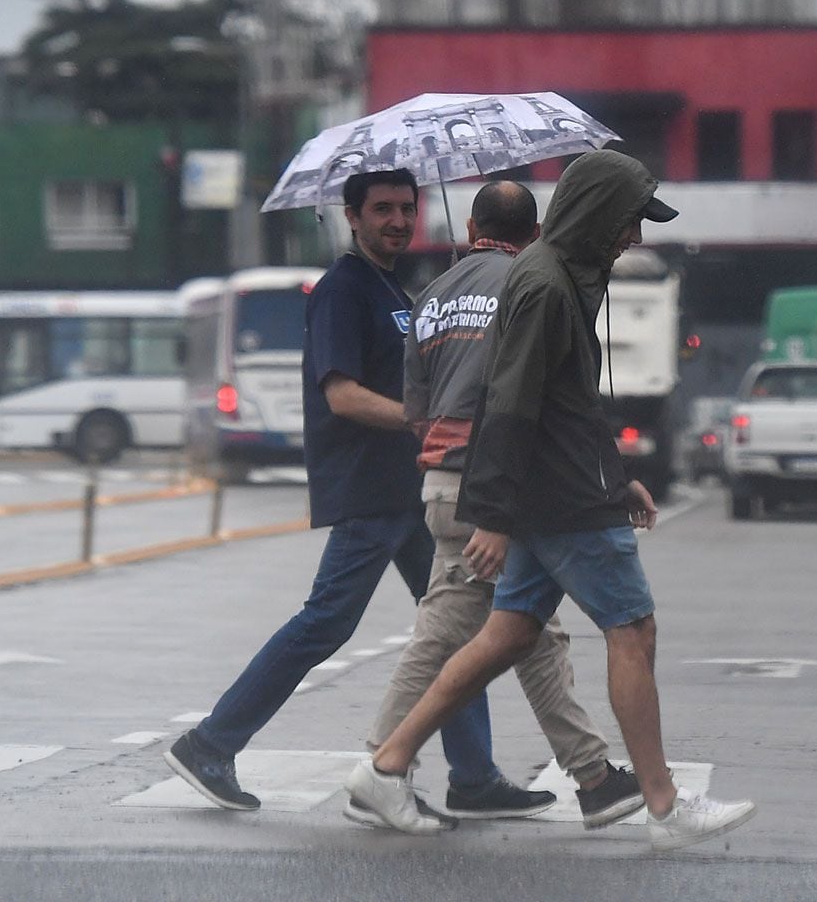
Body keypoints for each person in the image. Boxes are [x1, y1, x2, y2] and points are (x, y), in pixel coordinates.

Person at [344, 149, 757, 852]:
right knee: (633, 630)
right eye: (629, 222)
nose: (635, 238)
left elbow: (569, 401)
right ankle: (661, 805)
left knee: (509, 633)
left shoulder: (561, 280)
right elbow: (509, 403)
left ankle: (386, 767)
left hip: (562, 486)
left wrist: (617, 473)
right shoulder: (542, 286)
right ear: (597, 214)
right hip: (559, 499)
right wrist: (496, 517)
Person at [164, 168, 550, 824]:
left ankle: (475, 776)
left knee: (453, 624)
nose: (397, 220)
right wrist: (420, 418)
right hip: (371, 487)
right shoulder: (342, 290)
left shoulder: (394, 288)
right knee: (328, 621)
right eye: (383, 210)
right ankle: (209, 743)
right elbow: (340, 395)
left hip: (408, 488)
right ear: (352, 215)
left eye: (406, 208)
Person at [365, 180, 645, 829]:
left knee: (531, 631)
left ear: (470, 224)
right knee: (446, 638)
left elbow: (415, 411)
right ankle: (379, 767)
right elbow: (530, 397)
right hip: (495, 487)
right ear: (536, 230)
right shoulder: (532, 284)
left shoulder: (429, 296)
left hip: (440, 479)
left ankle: (595, 776)